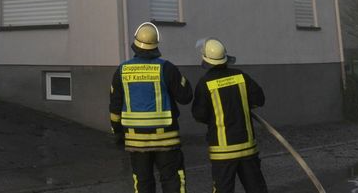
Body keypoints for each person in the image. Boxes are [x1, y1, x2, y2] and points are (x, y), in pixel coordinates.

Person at [110, 22, 193, 193]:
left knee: (143, 183)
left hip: (136, 142)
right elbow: (185, 97)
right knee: (172, 181)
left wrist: (118, 134)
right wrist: (182, 79)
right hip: (167, 140)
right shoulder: (167, 68)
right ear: (156, 45)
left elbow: (115, 109)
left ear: (136, 44)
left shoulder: (122, 70)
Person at [191, 38, 268, 193]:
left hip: (223, 152)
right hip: (247, 148)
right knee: (256, 188)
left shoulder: (204, 83)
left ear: (205, 59)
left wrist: (214, 118)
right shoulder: (240, 76)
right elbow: (259, 99)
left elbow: (199, 115)